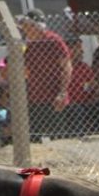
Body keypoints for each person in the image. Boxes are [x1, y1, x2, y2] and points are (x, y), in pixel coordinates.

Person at [21, 8, 71, 139]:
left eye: (27, 26)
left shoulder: (54, 40)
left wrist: (62, 92)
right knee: (34, 137)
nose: (24, 30)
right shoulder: (30, 45)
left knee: (57, 137)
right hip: (35, 97)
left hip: (53, 97)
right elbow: (25, 69)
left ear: (36, 26)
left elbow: (66, 67)